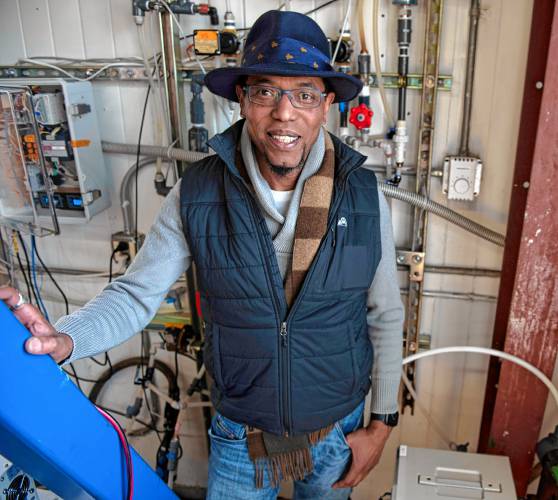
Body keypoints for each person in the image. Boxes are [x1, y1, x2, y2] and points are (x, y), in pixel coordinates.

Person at [0, 10, 404, 499]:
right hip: (240, 435)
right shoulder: (196, 194)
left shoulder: (363, 195)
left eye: (304, 94)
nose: (284, 113)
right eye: (266, 91)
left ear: (325, 105)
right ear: (242, 99)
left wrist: (381, 422)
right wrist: (66, 340)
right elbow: (134, 296)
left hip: (339, 429)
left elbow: (384, 314)